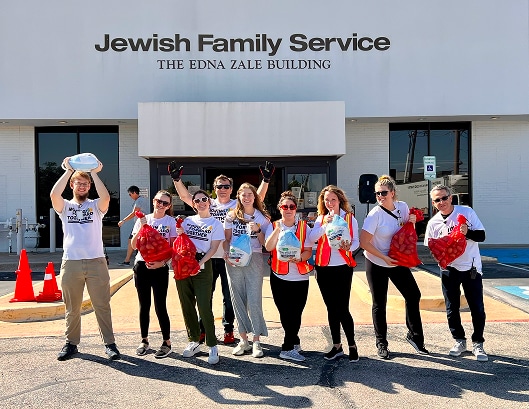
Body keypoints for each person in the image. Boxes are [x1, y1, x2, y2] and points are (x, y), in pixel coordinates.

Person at [168, 161, 274, 345]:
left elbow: (257, 197)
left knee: (229, 295)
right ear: (214, 189)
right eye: (219, 186)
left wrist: (265, 179)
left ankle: (228, 330)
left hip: (229, 256)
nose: (223, 189)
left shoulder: (236, 205)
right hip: (207, 257)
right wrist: (176, 179)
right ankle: (203, 330)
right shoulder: (207, 203)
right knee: (205, 295)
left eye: (226, 186)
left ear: (232, 189)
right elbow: (186, 196)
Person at [50, 157, 120, 361]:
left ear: (89, 186)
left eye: (85, 183)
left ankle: (110, 343)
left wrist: (94, 172)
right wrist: (68, 170)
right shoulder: (65, 207)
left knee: (102, 305)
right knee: (72, 308)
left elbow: (106, 196)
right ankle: (71, 343)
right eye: (78, 183)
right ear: (72, 185)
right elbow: (54, 194)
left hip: (96, 261)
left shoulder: (96, 206)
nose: (82, 186)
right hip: (71, 262)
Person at [359, 175, 428, 360]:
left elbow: (406, 231)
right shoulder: (374, 215)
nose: (380, 196)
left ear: (393, 193)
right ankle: (381, 343)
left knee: (413, 295)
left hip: (396, 260)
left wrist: (413, 220)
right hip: (376, 260)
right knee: (379, 303)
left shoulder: (402, 207)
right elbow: (364, 242)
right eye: (377, 193)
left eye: (383, 193)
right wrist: (383, 257)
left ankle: (414, 337)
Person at [424, 184, 488, 362]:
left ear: (451, 198)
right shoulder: (433, 223)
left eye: (444, 198)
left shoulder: (466, 213)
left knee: (477, 307)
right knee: (452, 308)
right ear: (433, 203)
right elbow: (431, 248)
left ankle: (478, 342)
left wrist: (468, 232)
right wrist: (441, 254)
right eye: (437, 200)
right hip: (448, 269)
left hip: (471, 268)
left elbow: (482, 236)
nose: (442, 202)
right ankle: (459, 340)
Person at [308, 185, 360, 362]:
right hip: (323, 267)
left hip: (343, 266)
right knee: (331, 308)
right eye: (326, 200)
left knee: (342, 308)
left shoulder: (349, 218)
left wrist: (350, 248)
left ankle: (352, 344)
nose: (330, 203)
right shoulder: (321, 219)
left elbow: (356, 241)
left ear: (340, 201)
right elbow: (312, 238)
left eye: (333, 199)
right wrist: (324, 225)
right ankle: (337, 345)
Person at [174, 190, 225, 365]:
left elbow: (213, 248)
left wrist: (199, 263)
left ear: (209, 202)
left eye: (204, 199)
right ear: (194, 204)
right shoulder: (188, 221)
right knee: (186, 304)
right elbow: (180, 242)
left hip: (203, 264)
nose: (201, 202)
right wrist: (180, 231)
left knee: (204, 306)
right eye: (197, 200)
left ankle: (212, 344)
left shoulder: (216, 224)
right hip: (183, 264)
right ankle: (194, 340)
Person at [264, 191, 313, 362]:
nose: (288, 209)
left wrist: (300, 258)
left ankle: (291, 342)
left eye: (292, 207)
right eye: (285, 206)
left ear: (296, 209)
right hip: (279, 277)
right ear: (280, 208)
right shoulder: (275, 225)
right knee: (285, 313)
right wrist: (278, 230)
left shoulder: (303, 227)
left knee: (296, 313)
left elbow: (308, 251)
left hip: (300, 277)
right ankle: (288, 346)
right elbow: (268, 247)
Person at [224, 182, 271, 358]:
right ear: (238, 196)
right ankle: (243, 340)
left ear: (255, 197)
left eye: (249, 194)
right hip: (235, 259)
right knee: (237, 299)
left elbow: (267, 243)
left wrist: (258, 230)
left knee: (254, 299)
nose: (246, 197)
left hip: (255, 258)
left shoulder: (262, 217)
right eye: (243, 195)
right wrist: (227, 253)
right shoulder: (231, 216)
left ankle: (257, 340)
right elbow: (226, 239)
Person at [130, 190, 176, 358]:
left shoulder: (170, 222)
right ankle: (144, 340)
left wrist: (162, 263)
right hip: (141, 265)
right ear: (153, 201)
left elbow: (173, 249)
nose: (161, 205)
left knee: (160, 305)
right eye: (158, 201)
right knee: (144, 305)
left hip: (160, 268)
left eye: (165, 203)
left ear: (169, 206)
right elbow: (134, 245)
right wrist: (142, 226)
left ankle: (167, 342)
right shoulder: (144, 219)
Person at [118, 185, 149, 266]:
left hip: (140, 225)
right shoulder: (140, 200)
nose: (130, 196)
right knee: (137, 242)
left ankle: (127, 261)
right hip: (140, 224)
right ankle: (130, 260)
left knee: (131, 242)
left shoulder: (139, 201)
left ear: (134, 192)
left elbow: (134, 213)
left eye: (130, 194)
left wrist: (123, 221)